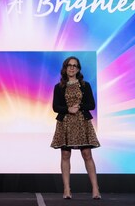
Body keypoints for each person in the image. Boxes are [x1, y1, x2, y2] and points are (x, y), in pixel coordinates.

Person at [50, 56, 101, 200]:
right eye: (69, 65)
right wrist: (68, 109)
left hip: (82, 122)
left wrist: (79, 107)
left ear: (78, 69)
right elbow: (55, 107)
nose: (72, 68)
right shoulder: (59, 87)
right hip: (65, 123)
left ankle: (95, 189)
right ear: (65, 68)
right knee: (65, 155)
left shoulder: (85, 85)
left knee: (87, 154)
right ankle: (67, 189)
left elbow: (91, 105)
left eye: (75, 65)